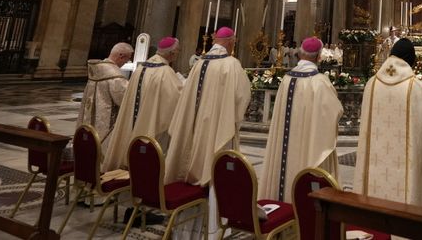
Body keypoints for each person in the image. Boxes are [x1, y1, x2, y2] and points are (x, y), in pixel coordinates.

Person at [165, 27, 250, 237]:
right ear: (231, 42)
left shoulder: (199, 63)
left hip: (192, 129)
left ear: (214, 40)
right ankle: (215, 226)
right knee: (215, 169)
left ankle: (186, 224)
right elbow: (242, 97)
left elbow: (184, 93)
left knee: (190, 165)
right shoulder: (231, 65)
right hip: (217, 129)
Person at [354, 38, 422, 208]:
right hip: (406, 171)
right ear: (411, 59)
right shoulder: (416, 87)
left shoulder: (371, 85)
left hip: (374, 168)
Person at [258, 37, 343, 201]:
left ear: (300, 54)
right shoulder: (319, 82)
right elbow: (335, 112)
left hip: (286, 142)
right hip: (307, 144)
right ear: (319, 57)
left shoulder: (286, 79)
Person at [102, 36, 183, 171]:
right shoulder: (165, 72)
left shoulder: (141, 67)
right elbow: (176, 100)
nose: (178, 54)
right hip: (149, 123)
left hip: (133, 118)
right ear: (172, 53)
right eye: (178, 51)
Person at [77, 42, 133, 141]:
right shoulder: (115, 76)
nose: (126, 62)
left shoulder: (96, 68)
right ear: (121, 56)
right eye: (127, 59)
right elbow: (126, 99)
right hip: (106, 123)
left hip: (88, 118)